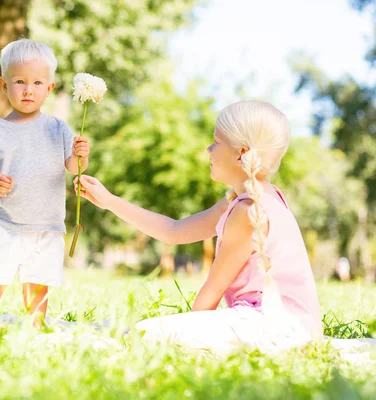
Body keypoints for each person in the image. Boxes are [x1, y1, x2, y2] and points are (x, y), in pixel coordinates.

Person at [74, 101, 322, 351]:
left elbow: (211, 293)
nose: (208, 149)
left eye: (216, 142)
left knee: (141, 334)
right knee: (137, 330)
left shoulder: (247, 212)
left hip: (274, 329)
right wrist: (109, 201)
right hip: (284, 327)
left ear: (241, 153)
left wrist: (186, 331)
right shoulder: (251, 199)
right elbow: (174, 231)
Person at [0, 38, 90, 331]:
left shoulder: (58, 128)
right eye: (19, 81)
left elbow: (73, 167)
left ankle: (36, 331)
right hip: (4, 223)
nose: (27, 89)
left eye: (37, 83)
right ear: (3, 84)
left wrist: (80, 154)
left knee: (37, 287)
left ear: (49, 88)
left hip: (46, 226)